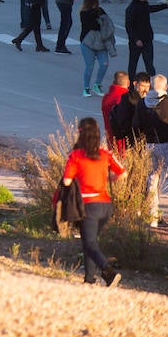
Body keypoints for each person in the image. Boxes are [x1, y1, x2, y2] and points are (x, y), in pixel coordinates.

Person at [61, 117, 125, 287]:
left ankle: (108, 272)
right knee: (91, 242)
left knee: (89, 243)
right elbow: (122, 173)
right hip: (105, 205)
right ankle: (89, 278)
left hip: (88, 205)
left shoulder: (76, 155)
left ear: (80, 134)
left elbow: (67, 181)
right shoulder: (105, 153)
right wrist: (106, 176)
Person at [135, 74, 168, 229]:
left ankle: (152, 216)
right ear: (165, 87)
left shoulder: (142, 103)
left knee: (151, 180)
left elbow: (136, 124)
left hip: (149, 144)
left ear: (151, 86)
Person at [124, 0, 168, 77]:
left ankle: (153, 85)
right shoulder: (132, 8)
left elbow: (151, 9)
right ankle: (131, 87)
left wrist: (164, 6)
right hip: (136, 42)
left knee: (149, 65)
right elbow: (129, 26)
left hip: (147, 40)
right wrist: (136, 39)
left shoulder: (144, 4)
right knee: (133, 65)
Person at [78, 0, 114, 97]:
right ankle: (86, 87)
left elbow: (107, 22)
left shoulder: (100, 10)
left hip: (101, 42)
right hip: (87, 42)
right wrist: (100, 21)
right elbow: (91, 25)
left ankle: (97, 84)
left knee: (104, 63)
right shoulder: (84, 13)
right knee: (89, 66)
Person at [109, 73, 150, 152]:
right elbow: (123, 120)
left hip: (149, 141)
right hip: (133, 140)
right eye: (143, 86)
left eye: (148, 86)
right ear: (135, 84)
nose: (145, 89)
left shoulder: (150, 99)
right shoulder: (127, 98)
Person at [99, 71, 129, 149]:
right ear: (128, 83)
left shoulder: (106, 97)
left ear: (113, 82)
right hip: (124, 141)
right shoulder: (126, 98)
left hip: (110, 137)